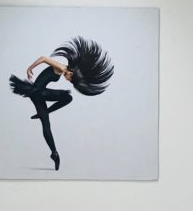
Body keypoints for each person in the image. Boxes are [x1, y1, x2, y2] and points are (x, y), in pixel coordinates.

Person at [9, 36, 114, 170]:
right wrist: (30, 68)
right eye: (70, 79)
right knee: (68, 97)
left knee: (46, 125)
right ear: (71, 72)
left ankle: (54, 153)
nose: (68, 80)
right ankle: (44, 113)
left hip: (38, 95)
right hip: (38, 91)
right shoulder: (61, 67)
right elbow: (44, 58)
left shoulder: (65, 71)